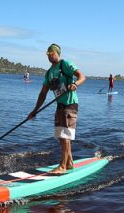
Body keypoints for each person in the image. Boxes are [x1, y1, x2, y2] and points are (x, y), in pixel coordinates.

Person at [27, 44, 85, 174]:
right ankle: (69, 162)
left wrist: (75, 84)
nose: (50, 56)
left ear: (58, 53)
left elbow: (82, 76)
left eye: (52, 53)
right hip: (59, 106)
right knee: (61, 136)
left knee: (65, 136)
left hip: (70, 104)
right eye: (48, 54)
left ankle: (62, 167)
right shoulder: (49, 73)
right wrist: (35, 110)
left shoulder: (65, 64)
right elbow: (43, 93)